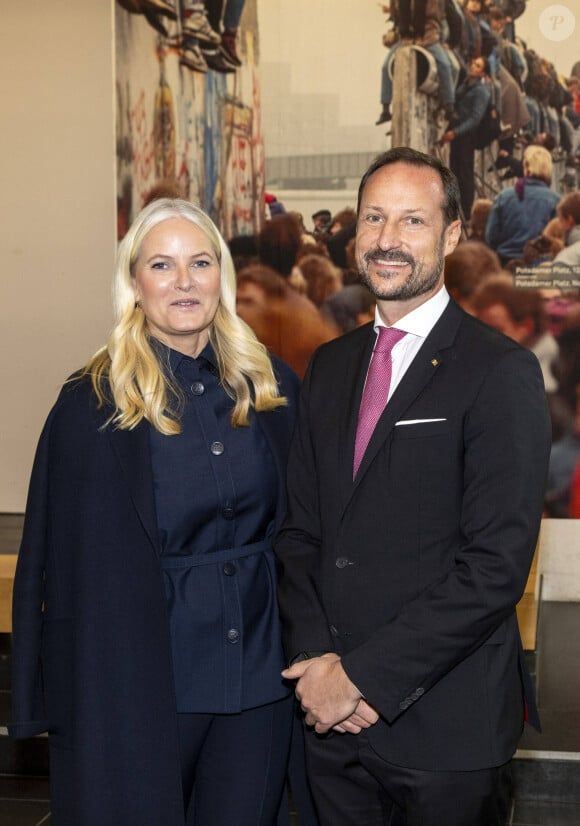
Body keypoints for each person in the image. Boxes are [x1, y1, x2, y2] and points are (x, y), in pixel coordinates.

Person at [275, 147, 551, 826]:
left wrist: (361, 678)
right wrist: (319, 666)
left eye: (412, 221)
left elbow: (494, 568)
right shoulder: (330, 367)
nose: (388, 240)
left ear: (452, 235)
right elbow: (298, 534)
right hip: (331, 724)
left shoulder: (500, 373)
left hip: (444, 730)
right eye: (374, 218)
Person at [10, 199, 302, 826]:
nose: (184, 281)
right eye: (162, 265)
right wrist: (44, 693)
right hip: (141, 681)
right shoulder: (91, 405)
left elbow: (305, 532)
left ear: (221, 275)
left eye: (200, 262)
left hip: (260, 678)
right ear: (135, 283)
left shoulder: (272, 387)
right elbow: (49, 558)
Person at [485, 145, 560, 265]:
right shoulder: (555, 201)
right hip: (541, 267)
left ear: (526, 167)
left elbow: (491, 237)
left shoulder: (504, 197)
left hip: (506, 263)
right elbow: (557, 240)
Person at [440, 55, 493, 219]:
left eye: (478, 66)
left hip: (467, 137)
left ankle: (466, 213)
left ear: (483, 72)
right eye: (473, 63)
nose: (472, 67)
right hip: (457, 136)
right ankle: (456, 211)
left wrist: (455, 133)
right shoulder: (465, 85)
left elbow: (475, 119)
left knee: (465, 174)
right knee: (454, 172)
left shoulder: (481, 92)